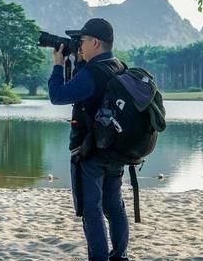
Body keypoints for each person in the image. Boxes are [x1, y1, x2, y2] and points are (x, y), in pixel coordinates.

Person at [48, 18, 129, 261]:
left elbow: (57, 96)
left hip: (91, 151)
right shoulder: (119, 66)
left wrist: (58, 65)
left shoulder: (92, 73)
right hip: (116, 150)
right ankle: (120, 256)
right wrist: (80, 62)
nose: (78, 46)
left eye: (81, 41)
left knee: (92, 210)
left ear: (95, 42)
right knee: (114, 206)